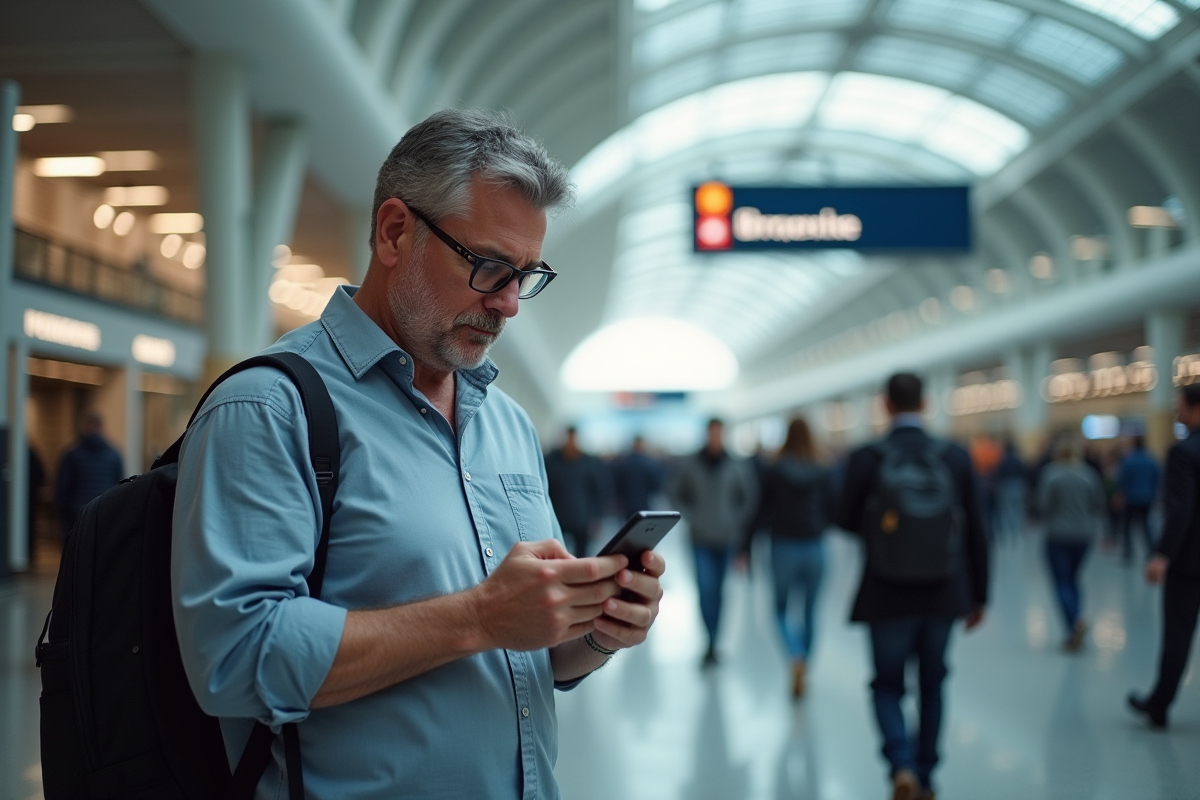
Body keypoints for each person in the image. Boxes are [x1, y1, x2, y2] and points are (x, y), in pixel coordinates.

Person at [171, 108, 667, 799]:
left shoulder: (508, 424)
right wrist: (479, 616)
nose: (510, 305)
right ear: (395, 231)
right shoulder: (270, 409)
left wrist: (598, 629)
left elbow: (532, 653)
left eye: (526, 275)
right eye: (490, 267)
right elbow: (235, 656)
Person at [836, 373, 988, 800]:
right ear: (925, 404)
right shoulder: (954, 456)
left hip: (886, 592)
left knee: (886, 684)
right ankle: (926, 773)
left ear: (885, 405)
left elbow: (845, 518)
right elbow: (977, 529)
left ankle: (900, 764)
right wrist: (980, 596)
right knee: (933, 684)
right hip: (944, 591)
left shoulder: (868, 456)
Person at [744, 417, 833, 698]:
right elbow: (834, 507)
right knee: (810, 612)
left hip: (782, 546)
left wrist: (745, 547)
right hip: (815, 547)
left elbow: (760, 509)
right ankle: (805, 662)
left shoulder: (775, 470)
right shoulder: (822, 469)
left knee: (780, 610)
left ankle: (794, 656)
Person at [1128, 383, 1200, 729]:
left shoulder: (1184, 452)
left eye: (1179, 405)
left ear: (1194, 407)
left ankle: (1160, 704)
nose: (1175, 410)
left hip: (1190, 560)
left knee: (1178, 634)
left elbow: (1181, 508)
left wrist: (1162, 554)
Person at [669, 418, 758, 666]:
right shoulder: (691, 465)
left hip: (727, 538)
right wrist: (691, 517)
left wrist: (735, 522)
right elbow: (676, 494)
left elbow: (748, 498)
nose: (715, 438)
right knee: (705, 588)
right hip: (700, 538)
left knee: (719, 591)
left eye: (719, 433)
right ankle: (708, 639)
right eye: (712, 433)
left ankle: (715, 640)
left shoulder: (737, 465)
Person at [1037, 437, 1106, 652]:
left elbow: (1043, 505)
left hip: (1057, 535)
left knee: (1061, 581)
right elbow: (1099, 503)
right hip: (1084, 535)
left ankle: (1073, 623)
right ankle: (1077, 619)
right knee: (1074, 578)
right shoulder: (1088, 474)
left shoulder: (1051, 474)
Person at [543, 425, 612, 556]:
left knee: (582, 555)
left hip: (583, 519)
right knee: (557, 554)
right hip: (558, 518)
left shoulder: (590, 463)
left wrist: (598, 517)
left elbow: (601, 491)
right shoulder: (551, 461)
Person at [54, 412, 123, 540]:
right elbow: (121, 487)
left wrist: (62, 516)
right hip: (104, 511)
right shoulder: (114, 454)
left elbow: (62, 489)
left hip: (78, 513)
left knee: (77, 552)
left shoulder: (72, 454)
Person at [1117, 436, 1160, 562]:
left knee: (1127, 526)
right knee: (1146, 525)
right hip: (1147, 497)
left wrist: (1121, 494)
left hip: (1131, 497)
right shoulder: (1151, 460)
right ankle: (1151, 550)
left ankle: (1128, 551)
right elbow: (1157, 478)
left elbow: (1122, 479)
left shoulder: (1129, 460)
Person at [610, 435, 666, 520]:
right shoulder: (650, 464)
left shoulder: (623, 463)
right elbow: (657, 485)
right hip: (645, 503)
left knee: (628, 529)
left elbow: (616, 485)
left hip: (626, 505)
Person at [992, 441, 1027, 542]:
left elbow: (998, 474)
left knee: (1007, 511)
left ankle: (1009, 532)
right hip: (1019, 486)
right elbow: (1025, 472)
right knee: (1018, 509)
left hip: (1006, 486)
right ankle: (1017, 531)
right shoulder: (1018, 460)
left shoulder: (1003, 461)